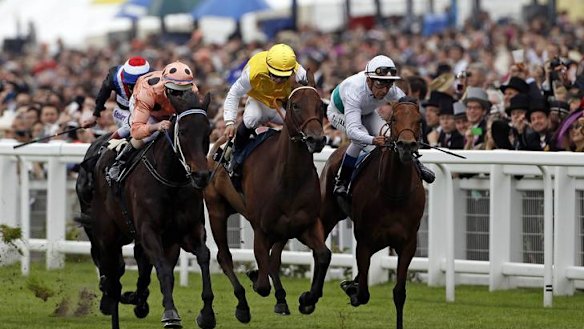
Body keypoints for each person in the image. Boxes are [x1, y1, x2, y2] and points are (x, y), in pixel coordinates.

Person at [327, 55, 435, 198]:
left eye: (389, 84)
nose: (385, 90)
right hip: (339, 113)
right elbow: (353, 131)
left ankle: (416, 163)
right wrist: (373, 140)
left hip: (367, 112)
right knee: (361, 138)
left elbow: (408, 109)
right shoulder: (354, 91)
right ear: (368, 80)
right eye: (380, 84)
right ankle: (342, 181)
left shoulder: (391, 89)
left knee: (391, 136)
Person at [221, 43, 307, 176]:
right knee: (251, 119)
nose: (278, 80)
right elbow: (234, 93)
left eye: (283, 77)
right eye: (275, 75)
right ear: (268, 67)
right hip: (258, 101)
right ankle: (236, 154)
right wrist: (230, 122)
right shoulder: (253, 72)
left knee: (298, 126)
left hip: (281, 104)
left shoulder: (300, 74)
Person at [107, 61, 198, 181]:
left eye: (182, 92)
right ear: (165, 85)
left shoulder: (193, 91)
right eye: (174, 91)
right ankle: (120, 163)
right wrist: (156, 126)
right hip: (144, 103)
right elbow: (136, 131)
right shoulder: (147, 92)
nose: (178, 96)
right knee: (151, 135)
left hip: (167, 109)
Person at [82, 56, 151, 139]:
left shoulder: (154, 76)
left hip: (144, 111)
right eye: (131, 84)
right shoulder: (114, 77)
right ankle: (111, 145)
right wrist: (95, 115)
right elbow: (103, 94)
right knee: (133, 125)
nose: (133, 87)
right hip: (123, 111)